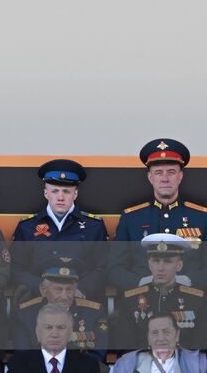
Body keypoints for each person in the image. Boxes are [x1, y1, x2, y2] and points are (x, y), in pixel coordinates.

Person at [111, 139, 207, 291]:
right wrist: (141, 282)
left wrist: (189, 280)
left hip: (191, 299)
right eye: (158, 172)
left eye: (171, 172)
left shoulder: (202, 217)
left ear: (180, 176)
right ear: (150, 177)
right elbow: (115, 268)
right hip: (142, 299)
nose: (165, 178)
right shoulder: (131, 217)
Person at [11, 159, 108, 301]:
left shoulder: (94, 226)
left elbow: (104, 267)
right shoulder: (27, 226)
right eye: (55, 191)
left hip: (80, 300)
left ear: (75, 194)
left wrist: (81, 288)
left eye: (66, 191)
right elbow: (15, 267)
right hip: (38, 299)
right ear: (46, 193)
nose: (60, 197)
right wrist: (42, 288)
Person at [114, 233, 204, 350]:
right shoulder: (130, 299)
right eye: (156, 261)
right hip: (143, 364)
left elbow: (201, 345)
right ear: (149, 264)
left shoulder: (197, 300)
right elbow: (124, 345)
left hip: (183, 363)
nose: (161, 268)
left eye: (167, 261)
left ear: (179, 265)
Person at [11, 261, 110, 356]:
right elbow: (24, 355)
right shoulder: (24, 314)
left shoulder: (94, 313)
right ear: (43, 290)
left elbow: (97, 355)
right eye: (58, 290)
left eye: (69, 290)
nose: (64, 296)